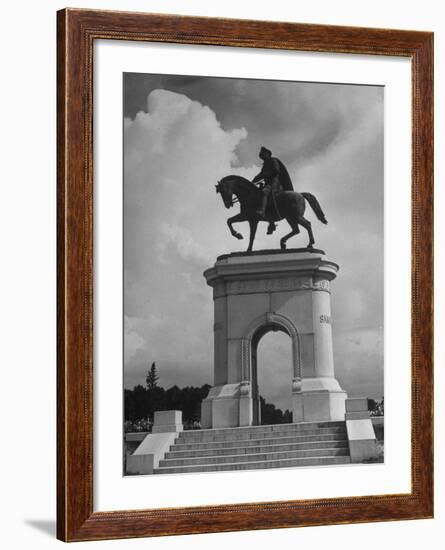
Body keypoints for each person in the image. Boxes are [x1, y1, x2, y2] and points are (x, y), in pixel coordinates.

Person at [252, 146, 294, 222]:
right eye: (261, 156)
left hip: (275, 184)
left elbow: (276, 171)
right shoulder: (265, 165)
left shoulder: (273, 160)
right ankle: (270, 220)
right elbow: (261, 174)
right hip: (268, 184)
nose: (262, 157)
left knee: (265, 192)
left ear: (268, 154)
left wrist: (264, 174)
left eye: (263, 155)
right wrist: (255, 179)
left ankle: (262, 211)